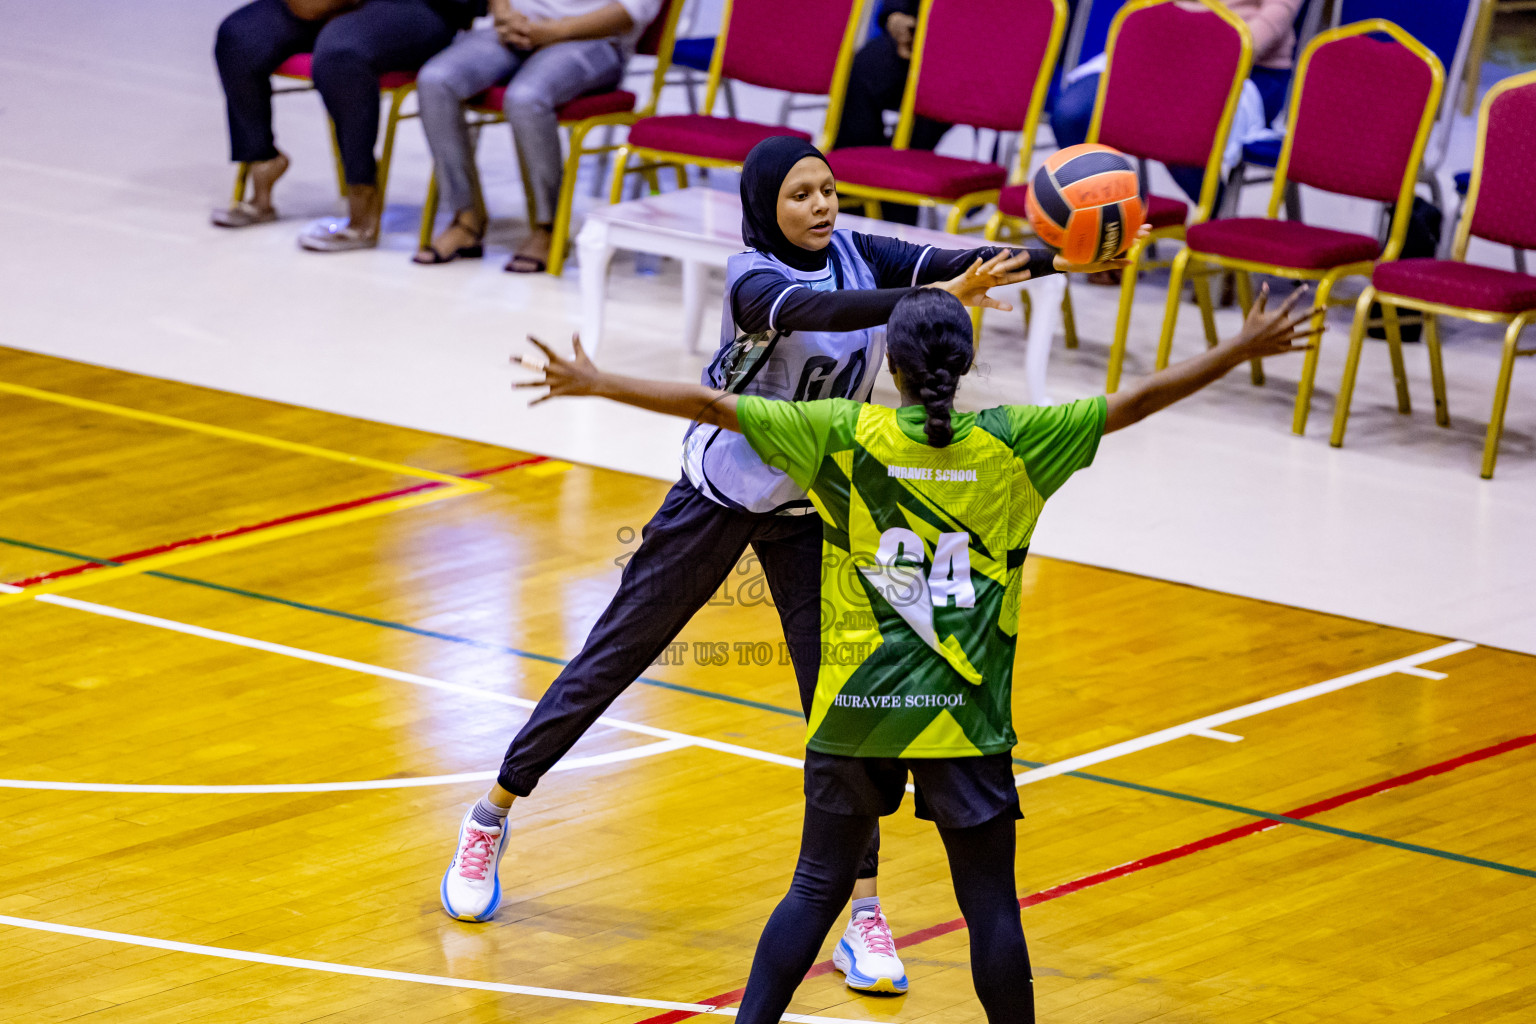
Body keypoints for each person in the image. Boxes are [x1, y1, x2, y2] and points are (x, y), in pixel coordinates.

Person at [514, 279, 1317, 1023]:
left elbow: (710, 403)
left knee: (815, 887)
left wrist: (600, 382)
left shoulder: (842, 432)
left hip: (856, 706)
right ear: (966, 364)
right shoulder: (1017, 442)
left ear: (887, 364)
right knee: (991, 909)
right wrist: (1239, 348)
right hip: (962, 717)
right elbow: (1136, 401)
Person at [435, 135, 1129, 995]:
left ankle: (863, 911)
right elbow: (822, 317)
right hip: (720, 494)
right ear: (768, 206)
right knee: (611, 658)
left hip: (812, 510)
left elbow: (968, 261)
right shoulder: (752, 277)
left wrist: (1066, 253)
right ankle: (491, 811)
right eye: (802, 195)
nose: (822, 206)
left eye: (829, 190)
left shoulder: (859, 249)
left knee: (843, 708)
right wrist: (931, 292)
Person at [411, 0, 662, 269]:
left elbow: (630, 12)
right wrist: (504, 15)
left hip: (596, 40)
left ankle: (549, 226)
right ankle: (466, 218)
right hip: (518, 29)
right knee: (436, 80)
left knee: (527, 97)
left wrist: (557, 31)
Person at [212, 0, 479, 249]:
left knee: (340, 53)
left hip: (417, 6)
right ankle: (263, 162)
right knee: (239, 36)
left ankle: (362, 198)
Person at [1051, 0, 1304, 206]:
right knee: (1071, 113)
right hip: (1164, 44)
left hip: (1248, 63)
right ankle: (1108, 220)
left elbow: (1276, 16)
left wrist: (1214, 51)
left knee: (1179, 130)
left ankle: (1218, 216)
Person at [830, 0, 951, 225]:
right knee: (868, 64)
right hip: (917, 33)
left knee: (930, 90)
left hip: (972, 43)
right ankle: (853, 197)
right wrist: (896, 16)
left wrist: (939, 31)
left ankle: (897, 213)